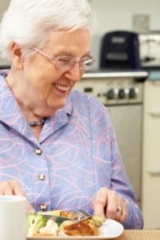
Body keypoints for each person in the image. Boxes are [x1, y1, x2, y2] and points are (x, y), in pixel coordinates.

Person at [0, 0, 143, 229]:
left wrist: (119, 208)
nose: (76, 74)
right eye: (63, 60)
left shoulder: (93, 115)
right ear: (18, 53)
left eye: (83, 61)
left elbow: (135, 220)